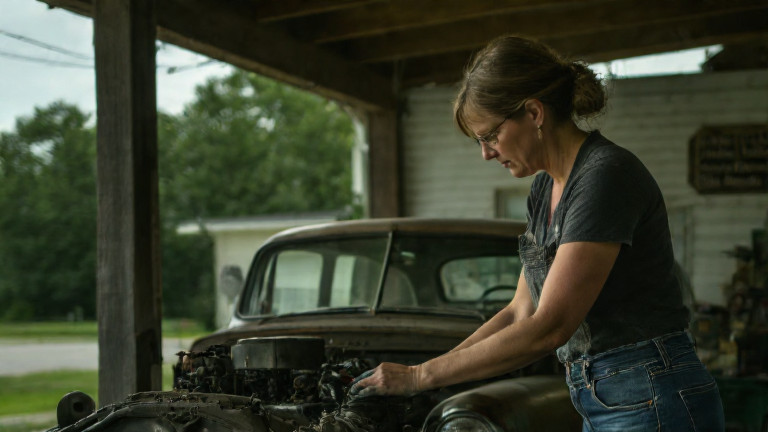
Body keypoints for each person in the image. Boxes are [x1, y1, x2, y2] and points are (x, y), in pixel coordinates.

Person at [350, 35, 725, 431]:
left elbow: (550, 325)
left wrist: (419, 377)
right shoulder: (545, 188)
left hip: (650, 394)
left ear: (533, 112)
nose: (486, 153)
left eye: (490, 136)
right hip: (605, 396)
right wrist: (424, 375)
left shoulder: (604, 177)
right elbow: (519, 312)